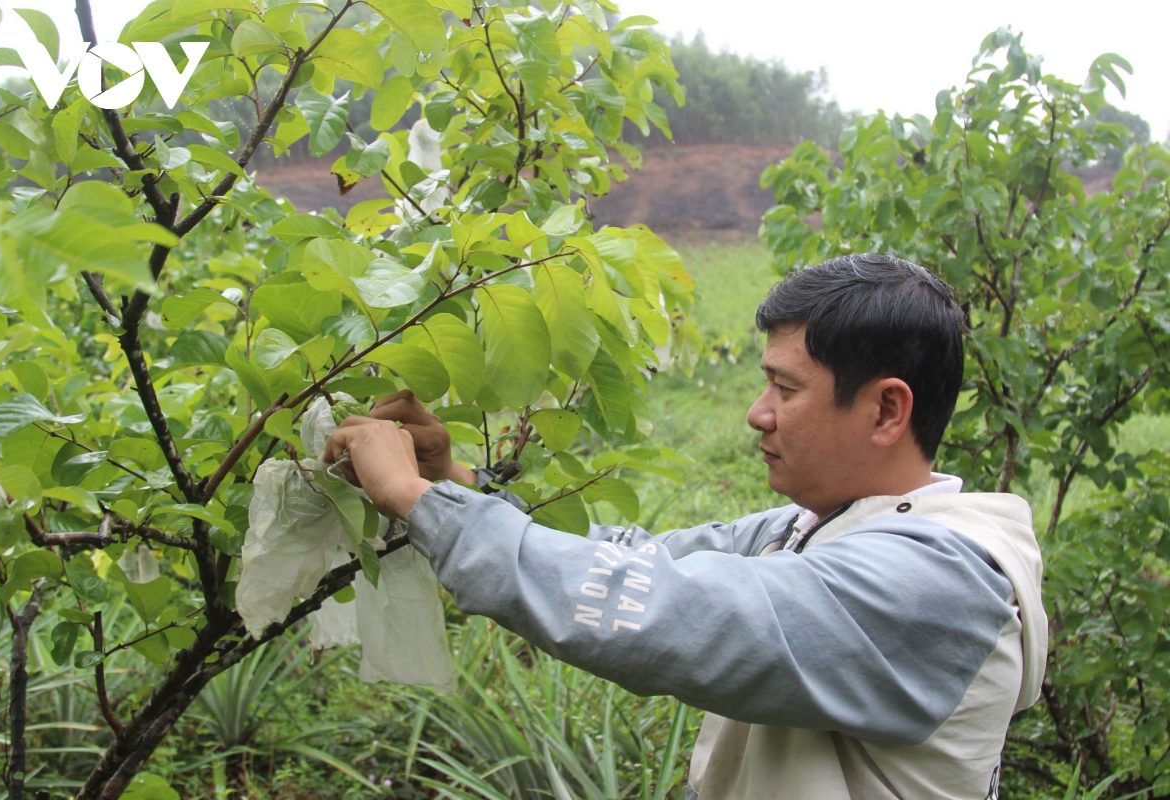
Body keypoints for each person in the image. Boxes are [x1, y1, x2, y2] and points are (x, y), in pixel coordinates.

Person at [324, 253, 1047, 800]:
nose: (757, 413)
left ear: (887, 411)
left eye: (785, 389)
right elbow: (634, 562)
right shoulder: (816, 529)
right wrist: (453, 482)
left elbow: (669, 613)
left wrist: (413, 497)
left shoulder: (935, 583)